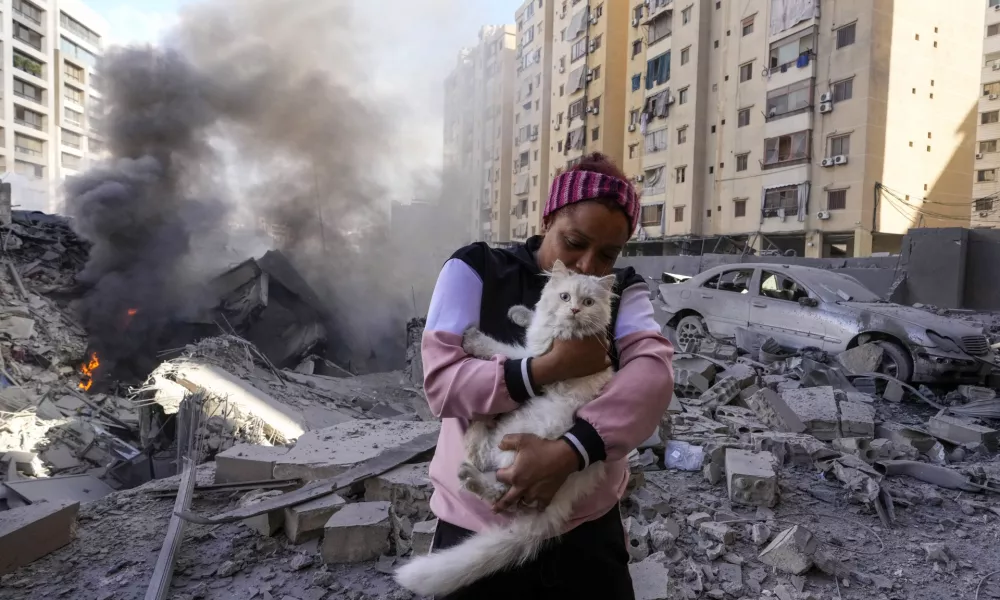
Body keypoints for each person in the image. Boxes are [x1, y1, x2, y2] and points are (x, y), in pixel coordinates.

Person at [420, 153, 675, 599]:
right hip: (475, 521)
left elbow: (652, 378)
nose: (587, 266)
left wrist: (569, 453)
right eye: (574, 242)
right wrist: (547, 368)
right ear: (549, 218)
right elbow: (443, 383)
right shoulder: (475, 269)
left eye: (608, 254)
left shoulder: (623, 290)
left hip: (585, 529)